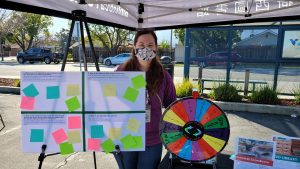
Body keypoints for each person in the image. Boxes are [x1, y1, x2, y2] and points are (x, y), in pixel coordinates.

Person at [114, 30, 177, 169]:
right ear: (134, 48)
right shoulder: (121, 72)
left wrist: (173, 136)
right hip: (126, 137)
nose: (146, 49)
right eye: (141, 45)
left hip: (152, 140)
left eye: (150, 45)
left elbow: (173, 107)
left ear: (156, 48)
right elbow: (108, 103)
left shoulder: (163, 76)